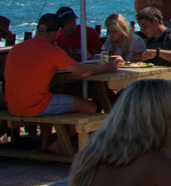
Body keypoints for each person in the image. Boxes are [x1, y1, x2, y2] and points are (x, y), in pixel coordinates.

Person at [5, 13, 113, 151]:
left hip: (13, 105)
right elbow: (83, 71)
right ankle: (59, 144)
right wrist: (106, 68)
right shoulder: (52, 51)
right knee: (89, 107)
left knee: (50, 96)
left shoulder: (16, 49)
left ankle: (45, 145)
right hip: (36, 106)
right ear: (57, 32)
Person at [134, 6, 171, 81]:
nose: (142, 30)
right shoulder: (150, 40)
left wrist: (157, 52)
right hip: (153, 82)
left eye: (144, 26)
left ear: (155, 21)